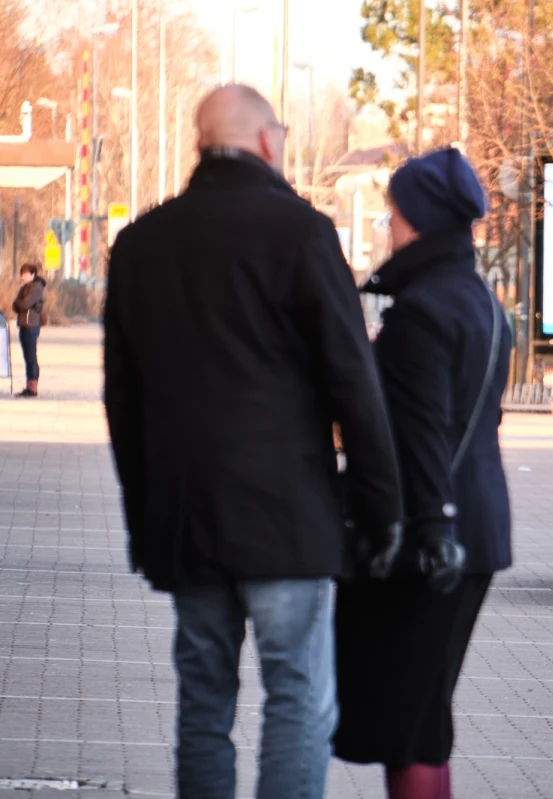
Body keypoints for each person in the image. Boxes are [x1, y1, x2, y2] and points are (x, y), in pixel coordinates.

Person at [103, 84, 404, 799]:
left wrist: (145, 523)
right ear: (269, 142)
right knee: (299, 695)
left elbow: (124, 401)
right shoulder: (302, 233)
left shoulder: (141, 244)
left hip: (187, 518)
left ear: (200, 146)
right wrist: (382, 506)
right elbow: (352, 382)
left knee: (203, 701)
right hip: (287, 517)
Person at [334, 147, 513, 799]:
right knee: (425, 716)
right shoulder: (485, 305)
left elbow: (421, 437)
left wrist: (431, 526)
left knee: (405, 723)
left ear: (421, 219)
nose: (389, 225)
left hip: (427, 541)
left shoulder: (419, 315)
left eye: (395, 212)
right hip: (478, 531)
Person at [12, 262, 45, 397]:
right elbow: (15, 305)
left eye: (25, 274)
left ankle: (33, 387)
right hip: (23, 324)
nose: (23, 277)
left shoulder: (36, 288)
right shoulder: (25, 287)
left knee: (31, 356)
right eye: (22, 274)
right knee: (27, 356)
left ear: (32, 274)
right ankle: (28, 385)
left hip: (31, 325)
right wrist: (20, 304)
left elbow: (25, 303)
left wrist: (20, 303)